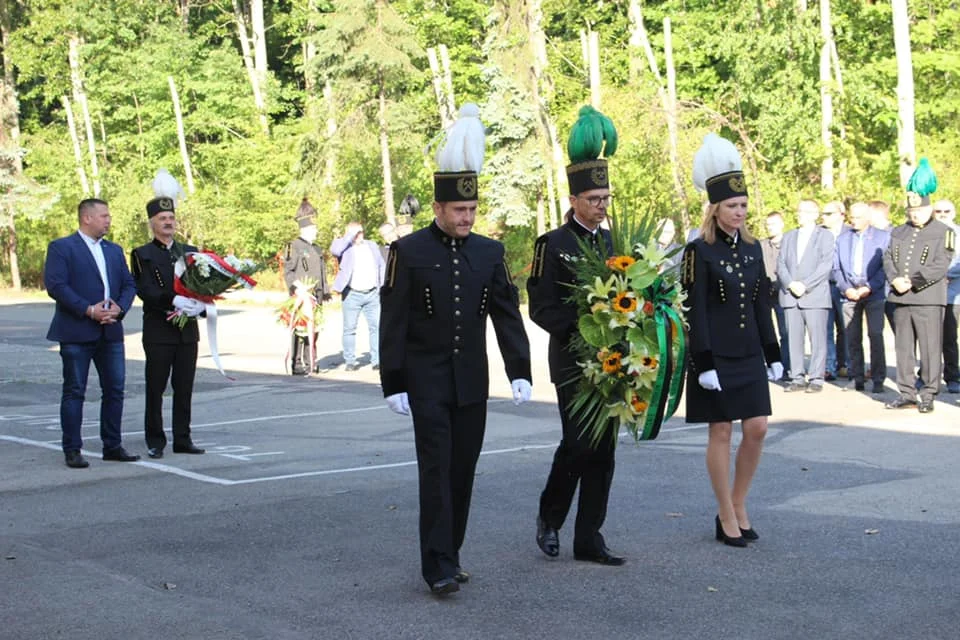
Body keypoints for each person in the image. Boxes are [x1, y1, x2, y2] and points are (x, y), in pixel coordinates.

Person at [379, 103, 532, 596]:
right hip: (425, 381)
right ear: (439, 209)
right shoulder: (408, 252)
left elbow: (506, 314)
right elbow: (393, 321)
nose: (467, 218)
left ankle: (452, 552)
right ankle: (437, 564)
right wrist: (393, 380)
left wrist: (520, 369)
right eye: (458, 211)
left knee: (463, 470)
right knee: (436, 471)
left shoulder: (489, 253)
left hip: (471, 381)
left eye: (472, 210)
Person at [528, 106, 625, 566]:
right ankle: (550, 516)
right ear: (574, 200)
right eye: (594, 199)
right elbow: (541, 305)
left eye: (606, 198)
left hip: (616, 362)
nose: (602, 206)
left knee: (604, 450)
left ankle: (590, 537)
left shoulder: (615, 245)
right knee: (579, 444)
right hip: (572, 360)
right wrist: (581, 331)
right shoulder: (553, 245)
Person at [680, 133, 782, 547]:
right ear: (715, 209)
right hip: (715, 357)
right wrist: (702, 363)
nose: (739, 212)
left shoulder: (754, 249)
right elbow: (694, 310)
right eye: (732, 206)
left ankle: (739, 501)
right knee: (720, 430)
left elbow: (761, 304)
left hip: (747, 354)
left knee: (757, 427)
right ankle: (725, 513)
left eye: (743, 205)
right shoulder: (697, 251)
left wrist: (773, 352)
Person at [44, 198, 139, 468]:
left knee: (115, 390)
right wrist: (88, 310)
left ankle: (113, 445)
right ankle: (72, 449)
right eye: (104, 216)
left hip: (110, 331)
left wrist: (119, 308)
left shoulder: (113, 250)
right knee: (75, 390)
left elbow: (129, 284)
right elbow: (56, 285)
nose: (108, 220)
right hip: (76, 331)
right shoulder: (62, 248)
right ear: (87, 218)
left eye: (109, 216)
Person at [130, 171, 206, 458]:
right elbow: (145, 288)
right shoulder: (142, 253)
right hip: (159, 331)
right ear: (152, 224)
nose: (168, 222)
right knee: (156, 388)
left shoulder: (190, 252)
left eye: (171, 218)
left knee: (184, 387)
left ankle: (183, 438)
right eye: (163, 219)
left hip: (187, 333)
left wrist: (200, 303)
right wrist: (172, 299)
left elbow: (200, 284)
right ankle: (155, 439)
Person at [883, 160, 954, 413]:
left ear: (929, 209)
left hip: (927, 298)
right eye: (911, 212)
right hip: (900, 299)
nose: (914, 216)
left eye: (919, 212)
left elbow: (940, 264)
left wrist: (911, 282)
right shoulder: (898, 231)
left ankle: (928, 392)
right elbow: (888, 257)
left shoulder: (944, 231)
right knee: (903, 348)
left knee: (930, 347)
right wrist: (894, 279)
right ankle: (906, 392)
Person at [777, 199, 835, 393]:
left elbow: (826, 265)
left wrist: (805, 285)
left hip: (815, 295)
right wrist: (790, 283)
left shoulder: (825, 236)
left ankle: (817, 377)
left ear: (814, 214)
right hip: (791, 295)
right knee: (793, 338)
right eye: (799, 211)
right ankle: (797, 376)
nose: (799, 214)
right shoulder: (789, 236)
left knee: (818, 338)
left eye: (804, 211)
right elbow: (781, 264)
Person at [832, 202, 890, 394]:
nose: (853, 221)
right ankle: (856, 377)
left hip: (874, 293)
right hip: (849, 293)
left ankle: (878, 378)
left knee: (875, 334)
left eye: (858, 217)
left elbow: (886, 267)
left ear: (868, 217)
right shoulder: (842, 239)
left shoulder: (882, 237)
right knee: (852, 337)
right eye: (852, 217)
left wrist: (869, 287)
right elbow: (836, 268)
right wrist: (846, 288)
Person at [283, 198, 330, 375]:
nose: (316, 231)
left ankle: (311, 359)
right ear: (305, 229)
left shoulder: (316, 248)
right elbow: (289, 271)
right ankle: (297, 362)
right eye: (313, 229)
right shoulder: (293, 246)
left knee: (314, 330)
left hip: (315, 295)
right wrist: (297, 288)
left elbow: (321, 272)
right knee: (300, 330)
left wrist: (324, 291)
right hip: (301, 296)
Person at [330, 221, 385, 371]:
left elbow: (381, 265)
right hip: (352, 293)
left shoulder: (371, 245)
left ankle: (377, 360)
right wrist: (349, 236)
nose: (359, 235)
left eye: (361, 232)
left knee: (376, 327)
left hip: (372, 293)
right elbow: (335, 251)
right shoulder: (344, 246)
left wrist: (381, 285)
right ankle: (350, 361)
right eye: (356, 233)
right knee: (349, 328)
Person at [820, 200, 850, 380]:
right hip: (823, 285)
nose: (825, 217)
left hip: (844, 285)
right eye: (823, 213)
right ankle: (829, 366)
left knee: (846, 327)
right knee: (825, 328)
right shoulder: (819, 233)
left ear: (841, 214)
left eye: (829, 213)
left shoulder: (850, 232)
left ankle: (845, 364)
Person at [934, 199, 960, 393]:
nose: (943, 214)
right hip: (930, 294)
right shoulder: (927, 234)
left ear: (954, 212)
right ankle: (927, 376)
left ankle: (952, 376)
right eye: (938, 211)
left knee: (949, 339)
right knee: (930, 338)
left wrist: (944, 274)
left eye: (946, 210)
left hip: (953, 296)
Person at [759, 211, 789, 376]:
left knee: (785, 333)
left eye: (773, 224)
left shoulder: (789, 244)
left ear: (782, 224)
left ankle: (786, 366)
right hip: (764, 295)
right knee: (765, 332)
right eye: (768, 225)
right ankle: (770, 364)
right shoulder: (761, 245)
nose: (770, 228)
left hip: (783, 293)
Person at [868, 200, 897, 331]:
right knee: (875, 333)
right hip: (874, 290)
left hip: (892, 291)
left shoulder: (896, 234)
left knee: (900, 331)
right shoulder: (869, 235)